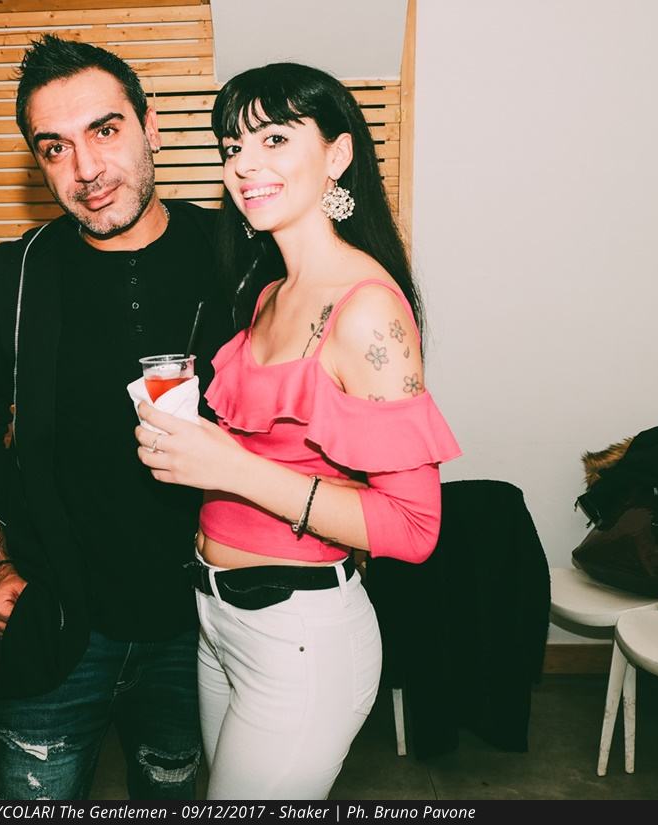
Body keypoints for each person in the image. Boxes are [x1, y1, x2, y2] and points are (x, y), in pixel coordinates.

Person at [134, 63, 462, 799]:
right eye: (232, 147)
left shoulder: (367, 310)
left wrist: (231, 468)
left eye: (274, 139)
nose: (244, 165)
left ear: (338, 155)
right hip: (217, 619)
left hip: (300, 634)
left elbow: (415, 528)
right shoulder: (270, 295)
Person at [0, 35, 230, 800]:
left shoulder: (233, 255)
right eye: (55, 147)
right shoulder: (14, 277)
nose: (87, 169)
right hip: (57, 621)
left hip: (198, 625)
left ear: (150, 125)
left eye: (104, 129)